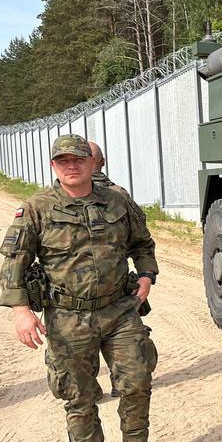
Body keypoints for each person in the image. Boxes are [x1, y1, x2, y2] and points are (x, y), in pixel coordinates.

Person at [0, 134, 173, 442]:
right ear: (54, 166)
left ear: (93, 163)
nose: (71, 165)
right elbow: (15, 261)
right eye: (63, 161)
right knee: (78, 396)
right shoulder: (37, 208)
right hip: (66, 317)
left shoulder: (118, 200)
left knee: (137, 381)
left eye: (78, 159)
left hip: (119, 309)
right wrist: (21, 311)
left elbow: (142, 243)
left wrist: (146, 274)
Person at [88, 141, 136, 399]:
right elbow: (137, 232)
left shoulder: (63, 194)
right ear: (103, 162)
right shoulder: (120, 193)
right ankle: (120, 382)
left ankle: (92, 389)